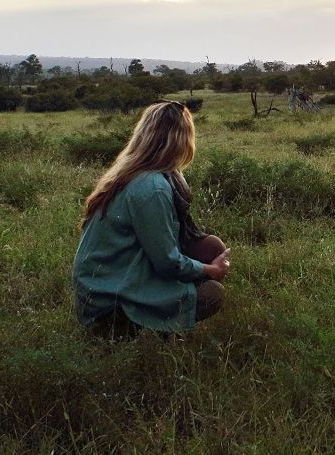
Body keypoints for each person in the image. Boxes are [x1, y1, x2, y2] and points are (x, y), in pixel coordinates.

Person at [73, 100, 231, 337]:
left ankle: (163, 314)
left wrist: (203, 265)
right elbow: (167, 262)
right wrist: (210, 270)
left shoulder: (134, 173)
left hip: (110, 276)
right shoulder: (153, 187)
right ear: (182, 139)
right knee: (213, 294)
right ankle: (138, 329)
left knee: (211, 247)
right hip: (111, 297)